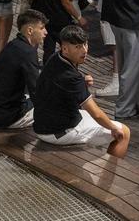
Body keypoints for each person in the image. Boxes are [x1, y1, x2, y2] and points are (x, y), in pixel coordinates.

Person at [33, 25, 131, 157]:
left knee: (94, 118)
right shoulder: (72, 78)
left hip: (41, 124)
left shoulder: (55, 58)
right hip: (58, 132)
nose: (84, 50)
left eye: (85, 44)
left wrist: (82, 82)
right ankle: (109, 175)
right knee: (123, 132)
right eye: (78, 47)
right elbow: (96, 114)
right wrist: (113, 128)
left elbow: (60, 85)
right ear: (65, 48)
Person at [0, 10, 47, 130]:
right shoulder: (28, 52)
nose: (45, 32)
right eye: (42, 28)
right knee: (53, 99)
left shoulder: (13, 45)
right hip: (8, 118)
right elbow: (37, 91)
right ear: (30, 30)